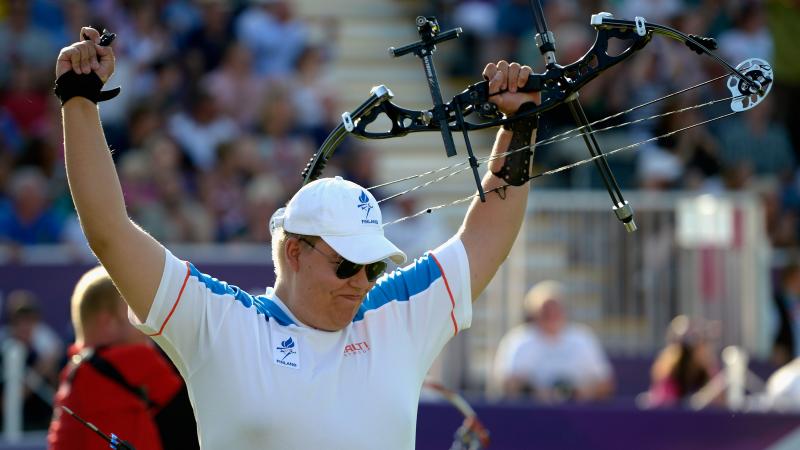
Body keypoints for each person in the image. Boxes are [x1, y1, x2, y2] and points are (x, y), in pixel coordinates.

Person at [55, 26, 539, 449]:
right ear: (294, 251)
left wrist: (519, 122)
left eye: (373, 267)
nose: (363, 282)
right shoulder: (222, 324)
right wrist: (79, 98)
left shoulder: (398, 313)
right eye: (346, 265)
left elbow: (486, 236)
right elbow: (110, 234)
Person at [48, 265, 199, 450]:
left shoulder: (74, 372)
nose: (146, 324)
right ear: (107, 322)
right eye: (135, 314)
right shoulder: (133, 361)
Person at [492, 280, 614, 402]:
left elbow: (605, 383)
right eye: (546, 311)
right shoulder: (518, 340)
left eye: (556, 309)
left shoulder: (583, 338)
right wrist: (533, 391)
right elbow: (505, 383)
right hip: (530, 415)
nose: (551, 315)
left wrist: (579, 392)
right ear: (533, 312)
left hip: (578, 415)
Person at [644, 315, 719, 408]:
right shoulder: (669, 369)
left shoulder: (706, 369)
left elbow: (719, 400)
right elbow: (665, 403)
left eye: (697, 341)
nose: (688, 351)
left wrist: (704, 397)